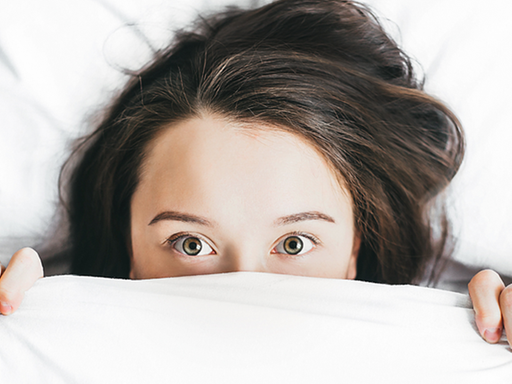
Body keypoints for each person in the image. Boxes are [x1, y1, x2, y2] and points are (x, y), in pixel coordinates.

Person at [0, 0, 510, 347]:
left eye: (294, 244)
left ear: (355, 249)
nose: (243, 294)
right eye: (190, 243)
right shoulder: (48, 340)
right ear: (128, 247)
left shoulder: (443, 347)